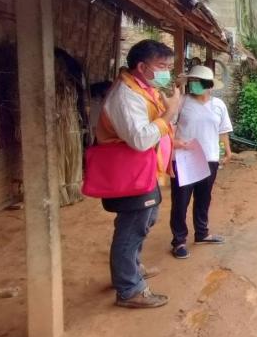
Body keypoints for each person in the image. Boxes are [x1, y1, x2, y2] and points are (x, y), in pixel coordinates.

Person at [96, 39, 181, 309]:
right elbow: (140, 139)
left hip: (144, 170)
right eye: (162, 66)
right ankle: (129, 289)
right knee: (132, 226)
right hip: (130, 172)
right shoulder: (126, 96)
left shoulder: (145, 89)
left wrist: (167, 111)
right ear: (142, 67)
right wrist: (170, 113)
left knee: (146, 219)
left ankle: (130, 268)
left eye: (168, 66)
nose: (166, 71)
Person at [169, 65, 233, 260]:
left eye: (199, 82)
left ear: (209, 85)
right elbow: (168, 126)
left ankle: (202, 233)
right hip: (184, 158)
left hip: (210, 158)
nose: (194, 85)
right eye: (192, 81)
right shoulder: (181, 102)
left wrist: (227, 150)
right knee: (181, 200)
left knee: (204, 198)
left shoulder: (219, 105)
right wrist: (173, 146)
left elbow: (223, 130)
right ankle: (179, 240)